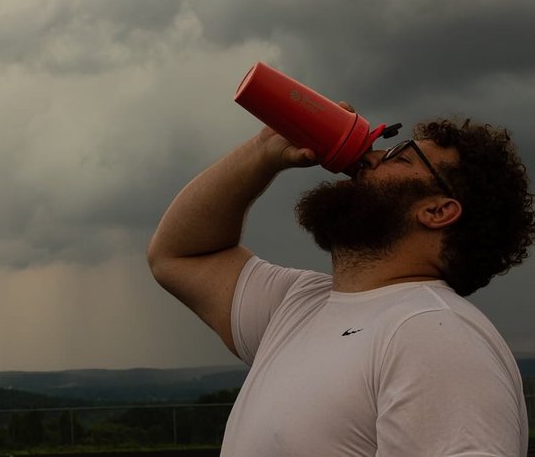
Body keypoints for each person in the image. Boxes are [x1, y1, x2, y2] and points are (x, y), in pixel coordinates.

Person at [147, 114, 534, 456]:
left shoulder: (436, 338)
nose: (367, 158)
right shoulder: (297, 303)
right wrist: (265, 149)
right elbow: (180, 254)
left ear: (437, 211)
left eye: (399, 156)